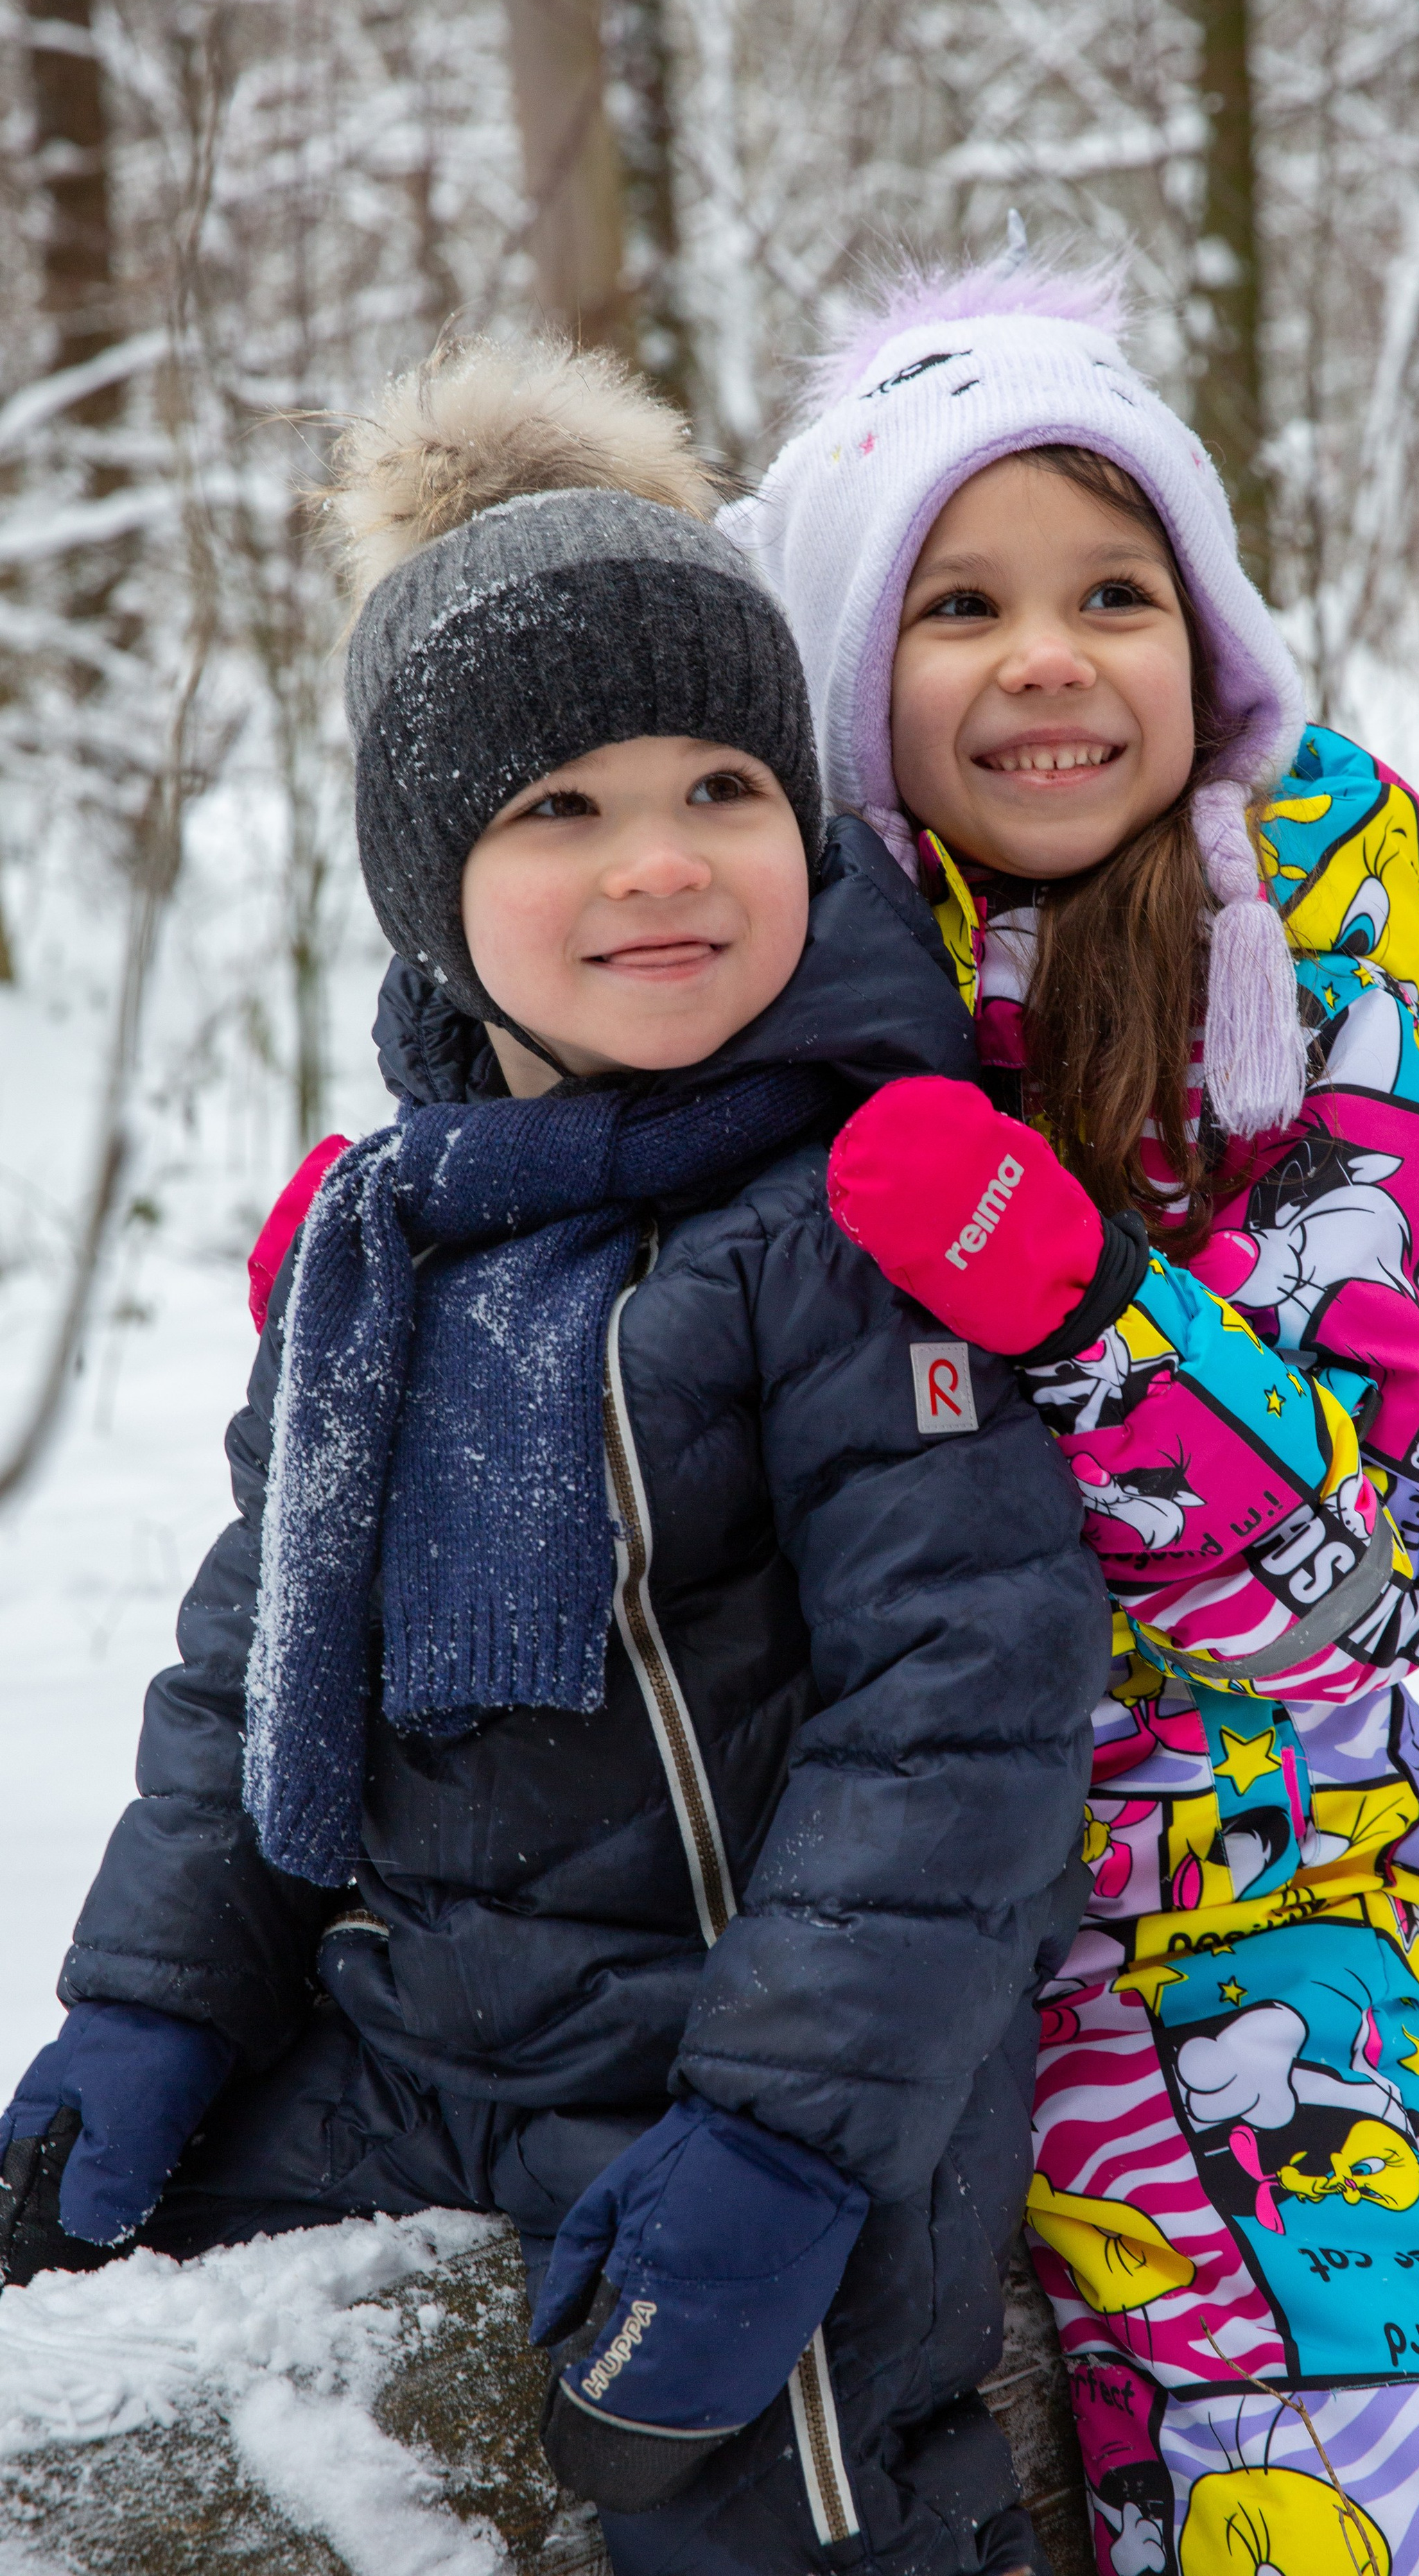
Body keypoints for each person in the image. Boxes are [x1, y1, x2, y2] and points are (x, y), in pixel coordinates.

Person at [0, 338, 1110, 2576]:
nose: (661, 871)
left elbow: (959, 1714)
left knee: (773, 2505)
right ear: (431, 881)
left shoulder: (850, 1214)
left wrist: (784, 2145)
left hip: (756, 2072)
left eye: (721, 789)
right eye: (558, 813)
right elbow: (249, 1668)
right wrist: (146, 2001)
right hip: (420, 2032)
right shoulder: (389, 1238)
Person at [729, 260, 1419, 2576]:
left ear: (1201, 652)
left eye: (1115, 591)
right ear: (842, 683)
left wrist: (1079, 1292)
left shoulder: (1335, 1035)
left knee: (1328, 2511)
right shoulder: (750, 1010)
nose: (1046, 656)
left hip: (1208, 1913)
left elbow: (1353, 1591)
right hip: (825, 1924)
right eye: (960, 605)